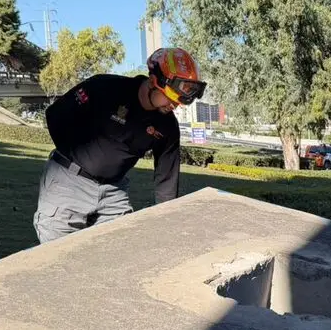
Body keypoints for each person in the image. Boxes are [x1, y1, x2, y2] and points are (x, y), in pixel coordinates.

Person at [33, 47, 207, 244]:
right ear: (152, 81)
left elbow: (166, 180)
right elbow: (56, 115)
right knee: (57, 258)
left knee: (118, 253)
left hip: (113, 191)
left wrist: (167, 221)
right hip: (68, 182)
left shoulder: (167, 126)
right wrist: (79, 156)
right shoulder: (105, 88)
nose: (174, 106)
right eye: (170, 98)